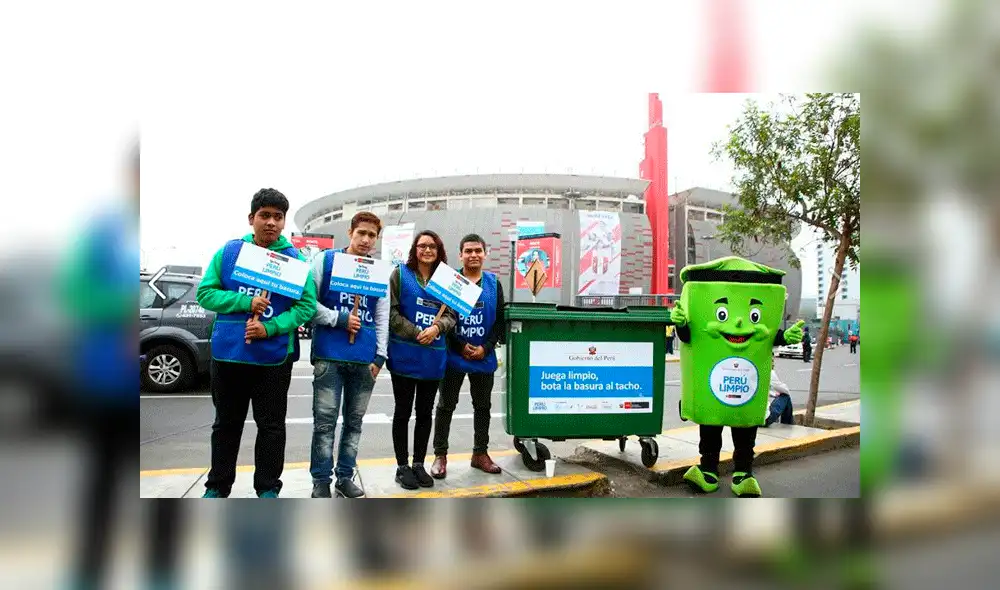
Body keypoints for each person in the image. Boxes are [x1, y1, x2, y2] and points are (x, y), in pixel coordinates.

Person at [197, 188, 317, 498]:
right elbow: (205, 293)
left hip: (274, 356)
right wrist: (244, 301)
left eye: (278, 217)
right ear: (252, 218)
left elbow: (305, 306)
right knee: (226, 425)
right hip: (229, 355)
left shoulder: (294, 260)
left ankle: (267, 488)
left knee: (272, 427)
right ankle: (217, 486)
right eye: (265, 215)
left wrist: (272, 328)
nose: (272, 223)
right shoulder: (229, 253)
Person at [308, 212, 389, 498]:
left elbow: (382, 316)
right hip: (329, 355)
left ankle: (344, 476)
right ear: (350, 232)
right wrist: (339, 319)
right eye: (361, 233)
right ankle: (320, 481)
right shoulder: (325, 261)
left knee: (354, 425)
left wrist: (380, 357)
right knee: (324, 424)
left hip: (364, 360)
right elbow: (308, 303)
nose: (366, 240)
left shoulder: (379, 271)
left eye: (372, 235)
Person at [387, 230, 458, 489]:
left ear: (439, 251)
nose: (427, 250)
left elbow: (452, 314)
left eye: (432, 246)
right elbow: (391, 312)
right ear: (414, 250)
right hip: (405, 353)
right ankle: (402, 466)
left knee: (425, 412)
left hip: (433, 356)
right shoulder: (400, 274)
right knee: (403, 412)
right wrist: (416, 332)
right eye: (422, 246)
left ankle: (418, 463)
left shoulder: (447, 280)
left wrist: (437, 328)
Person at [431, 234, 505, 479]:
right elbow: (442, 317)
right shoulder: (450, 281)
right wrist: (460, 344)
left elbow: (499, 321)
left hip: (484, 355)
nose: (473, 255)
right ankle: (440, 455)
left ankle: (480, 453)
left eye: (478, 250)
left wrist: (486, 346)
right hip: (454, 354)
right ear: (460, 254)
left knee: (483, 407)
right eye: (468, 251)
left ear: (485, 253)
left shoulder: (494, 283)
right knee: (446, 406)